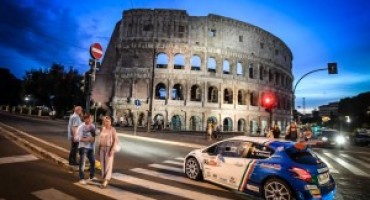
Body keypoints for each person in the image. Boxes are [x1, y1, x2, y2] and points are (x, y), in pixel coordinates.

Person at [76, 113, 96, 185]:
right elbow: (77, 138)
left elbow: (94, 137)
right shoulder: (81, 127)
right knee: (82, 163)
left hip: (90, 147)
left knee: (93, 162)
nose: (91, 120)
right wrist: (87, 139)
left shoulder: (93, 126)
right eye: (89, 118)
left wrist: (92, 140)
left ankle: (92, 176)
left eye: (91, 118)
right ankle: (81, 178)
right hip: (83, 147)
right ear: (85, 119)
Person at [99, 116, 118, 188]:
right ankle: (104, 178)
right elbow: (100, 139)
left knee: (108, 165)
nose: (106, 123)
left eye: (108, 121)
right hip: (102, 149)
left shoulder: (112, 129)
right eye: (105, 121)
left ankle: (106, 180)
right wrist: (99, 149)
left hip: (109, 148)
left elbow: (115, 140)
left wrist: (112, 150)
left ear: (110, 122)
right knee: (102, 165)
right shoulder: (102, 129)